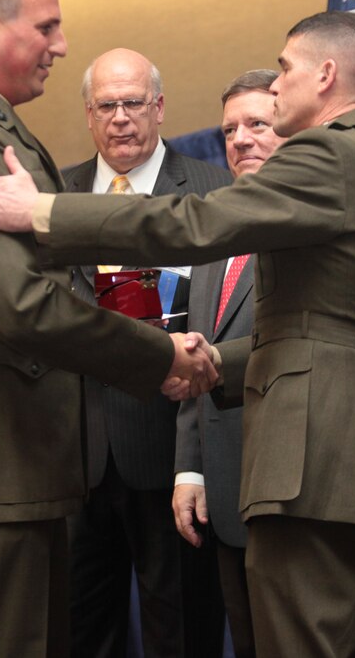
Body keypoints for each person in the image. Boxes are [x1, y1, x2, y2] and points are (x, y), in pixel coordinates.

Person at [0, 10, 355, 657]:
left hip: (311, 458)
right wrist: (212, 365)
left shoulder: (328, 152)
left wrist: (36, 207)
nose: (276, 86)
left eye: (284, 70)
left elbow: (193, 224)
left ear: (327, 73)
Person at [0, 0, 216, 658]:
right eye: (47, 27)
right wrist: (158, 353)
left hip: (20, 458)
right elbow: (20, 305)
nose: (60, 45)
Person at [63, 48, 230, 658]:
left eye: (133, 103)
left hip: (173, 451)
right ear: (88, 114)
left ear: (159, 107)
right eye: (106, 106)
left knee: (181, 633)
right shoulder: (59, 194)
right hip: (80, 460)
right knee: (82, 634)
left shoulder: (212, 191)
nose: (121, 118)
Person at [172, 69, 287, 658]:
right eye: (229, 130)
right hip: (223, 490)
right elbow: (197, 347)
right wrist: (190, 468)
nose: (240, 139)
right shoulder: (215, 223)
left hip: (293, 495)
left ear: (290, 128)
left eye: (257, 124)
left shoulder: (310, 220)